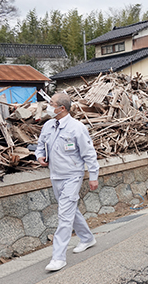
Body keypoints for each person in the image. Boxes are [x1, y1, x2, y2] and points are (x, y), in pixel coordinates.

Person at [35, 93, 99, 271]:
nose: (48, 106)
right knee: (70, 209)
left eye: (51, 103)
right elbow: (40, 145)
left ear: (62, 108)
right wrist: (39, 156)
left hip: (72, 175)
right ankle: (87, 238)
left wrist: (93, 176)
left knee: (64, 215)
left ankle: (58, 258)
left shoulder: (77, 128)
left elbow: (89, 154)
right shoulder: (48, 125)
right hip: (55, 176)